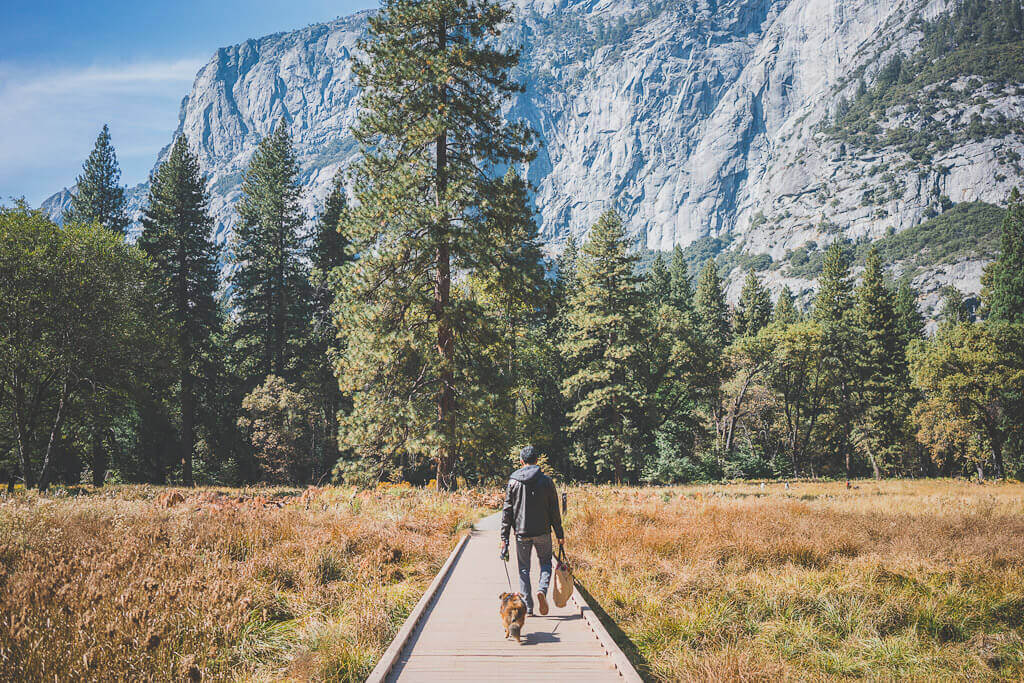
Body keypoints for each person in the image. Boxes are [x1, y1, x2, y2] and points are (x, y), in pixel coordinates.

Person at [499, 445, 564, 617]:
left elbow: (507, 511)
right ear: (537, 461)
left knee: (523, 570)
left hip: (521, 533)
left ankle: (527, 607)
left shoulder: (513, 482)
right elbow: (554, 510)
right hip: (543, 532)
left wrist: (504, 538)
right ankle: (542, 589)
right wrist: (560, 534)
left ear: (521, 461)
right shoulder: (547, 481)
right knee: (545, 563)